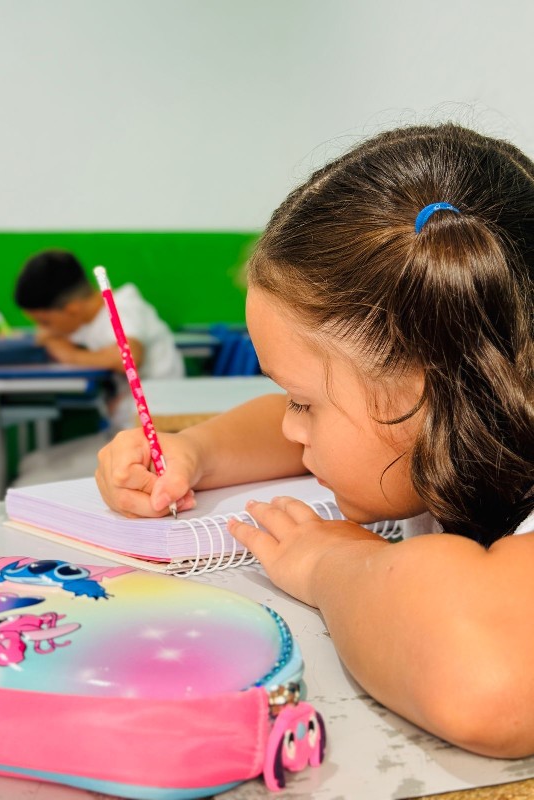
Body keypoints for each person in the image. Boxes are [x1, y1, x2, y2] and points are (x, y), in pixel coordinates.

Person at [95, 124, 534, 758]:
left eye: (304, 403)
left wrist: (330, 563)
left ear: (428, 389)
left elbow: (486, 684)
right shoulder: (472, 416)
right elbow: (295, 425)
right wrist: (195, 451)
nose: (289, 427)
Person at [12, 249, 184, 485]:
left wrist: (68, 354)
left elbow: (129, 356)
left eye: (45, 321)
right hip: (123, 433)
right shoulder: (89, 321)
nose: (44, 329)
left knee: (28, 483)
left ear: (72, 309)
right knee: (31, 463)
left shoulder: (122, 308)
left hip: (153, 442)